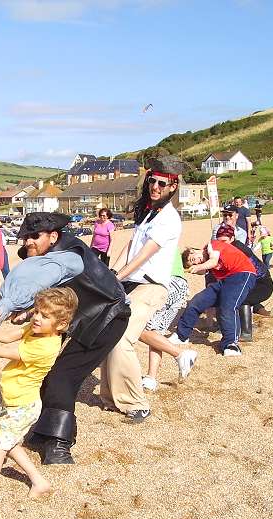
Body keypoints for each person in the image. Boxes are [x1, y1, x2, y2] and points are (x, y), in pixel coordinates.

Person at [0, 212, 129, 464]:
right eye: (26, 238)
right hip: (79, 317)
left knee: (63, 376)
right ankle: (44, 432)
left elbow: (42, 278)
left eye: (35, 236)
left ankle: (60, 445)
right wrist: (25, 311)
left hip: (107, 318)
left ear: (54, 236)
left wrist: (0, 308)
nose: (28, 243)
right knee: (47, 372)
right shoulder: (49, 254)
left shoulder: (67, 257)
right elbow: (52, 291)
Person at [0, 287, 77, 498]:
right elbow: (6, 337)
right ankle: (39, 482)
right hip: (15, 401)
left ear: (61, 324)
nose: (37, 317)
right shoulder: (38, 328)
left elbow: (4, 352)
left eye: (45, 316)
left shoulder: (46, 346)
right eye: (37, 311)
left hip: (22, 406)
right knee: (9, 444)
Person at [105, 159, 185, 423]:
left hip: (151, 285)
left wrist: (120, 274)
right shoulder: (150, 213)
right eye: (152, 180)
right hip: (132, 282)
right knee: (107, 332)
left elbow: (144, 254)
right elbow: (130, 245)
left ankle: (136, 403)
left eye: (162, 183)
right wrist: (111, 273)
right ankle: (111, 396)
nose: (155, 186)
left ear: (172, 186)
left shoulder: (169, 218)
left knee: (123, 337)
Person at [172, 224, 257, 357]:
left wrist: (198, 266)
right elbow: (205, 270)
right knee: (196, 302)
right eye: (193, 263)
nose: (196, 262)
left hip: (242, 273)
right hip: (225, 281)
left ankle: (231, 343)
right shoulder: (208, 267)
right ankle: (181, 336)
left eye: (193, 259)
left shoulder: (212, 245)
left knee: (228, 306)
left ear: (194, 251)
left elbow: (212, 261)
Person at [138, 249, 196, 392]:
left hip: (167, 283)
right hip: (180, 286)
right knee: (154, 333)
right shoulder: (174, 247)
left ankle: (180, 354)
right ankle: (151, 378)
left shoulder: (157, 236)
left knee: (139, 328)